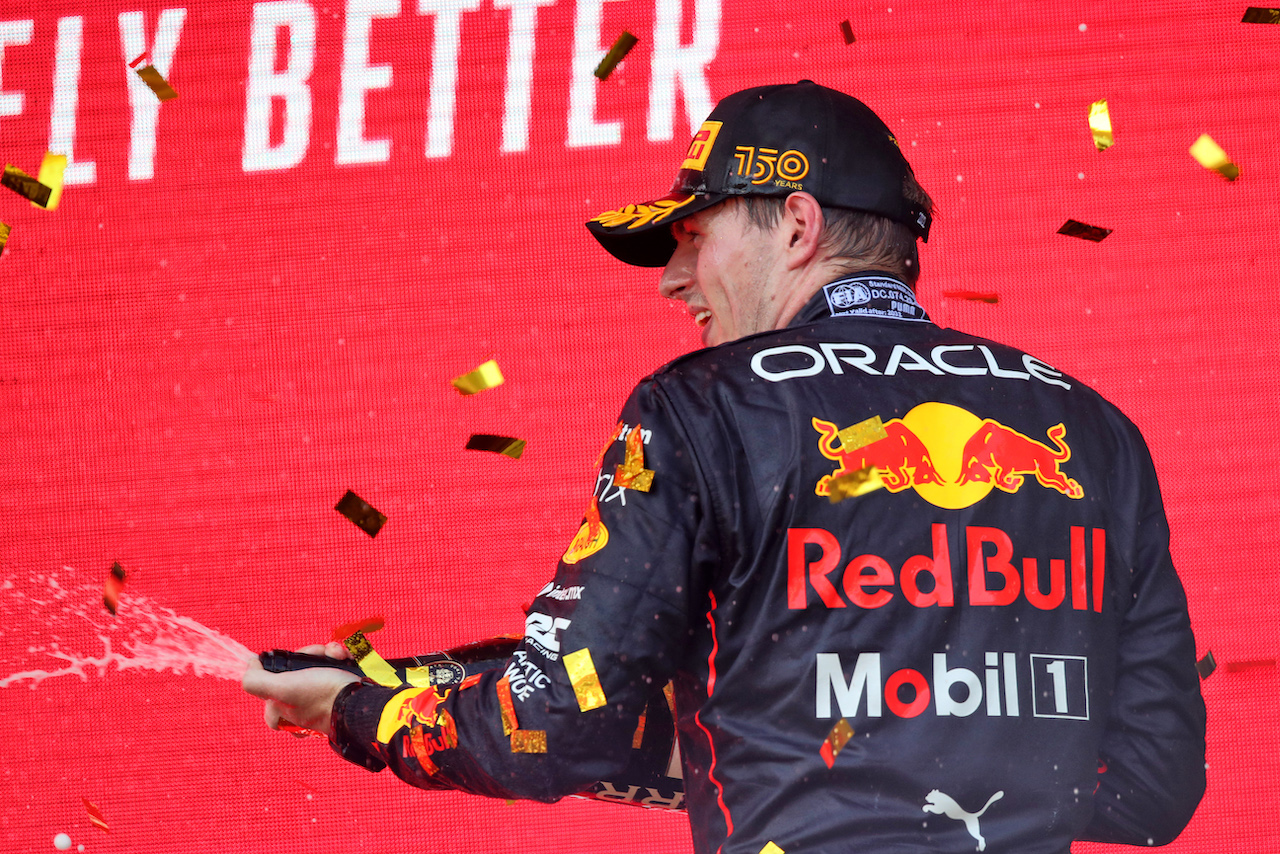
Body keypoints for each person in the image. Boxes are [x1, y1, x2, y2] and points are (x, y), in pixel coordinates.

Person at [244, 80, 1206, 853]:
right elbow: (1152, 783)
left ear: (795, 224)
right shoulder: (1093, 429)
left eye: (694, 237)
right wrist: (398, 673)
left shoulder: (706, 403)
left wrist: (363, 710)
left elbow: (560, 720)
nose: (672, 279)